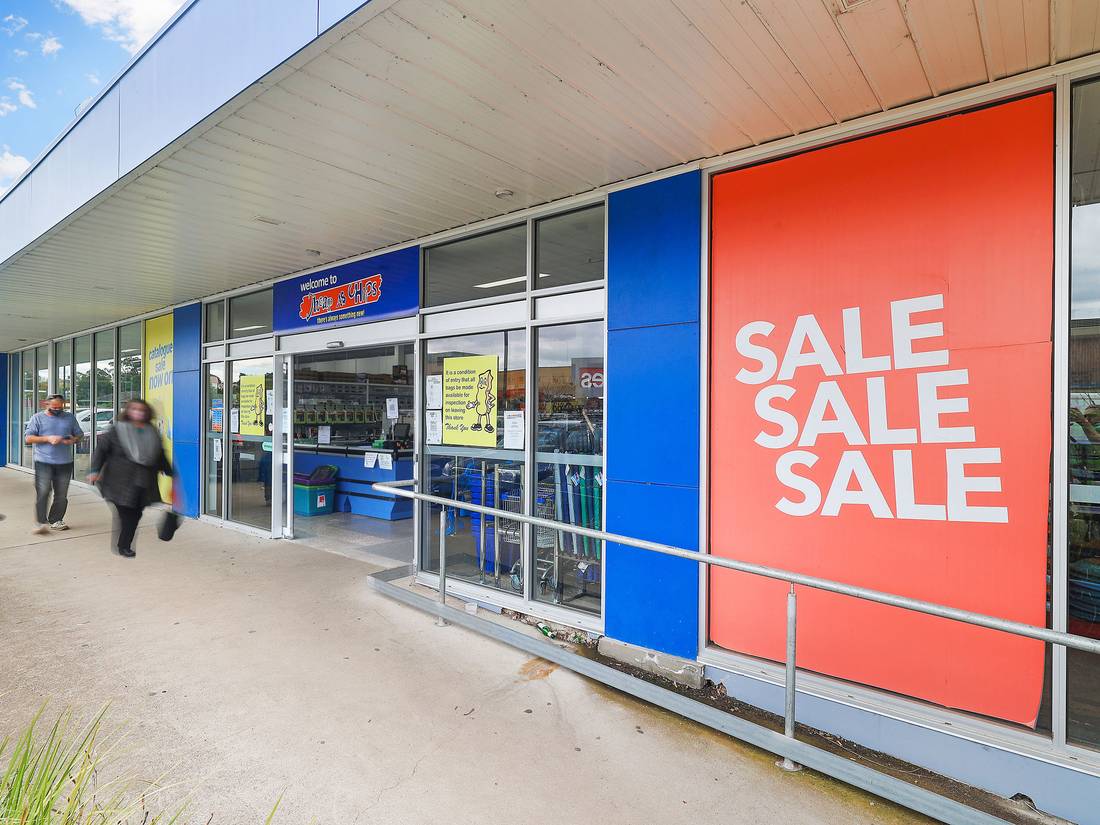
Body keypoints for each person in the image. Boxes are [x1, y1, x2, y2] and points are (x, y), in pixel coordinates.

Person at [88, 399, 173, 558]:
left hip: (144, 482)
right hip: (119, 482)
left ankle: (124, 544)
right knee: (127, 515)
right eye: (134, 409)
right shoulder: (117, 430)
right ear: (128, 411)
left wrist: (169, 470)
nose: (138, 413)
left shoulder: (152, 432)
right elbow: (101, 450)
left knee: (136, 515)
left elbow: (160, 454)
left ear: (147, 413)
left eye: (142, 410)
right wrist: (95, 470)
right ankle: (124, 546)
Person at [24, 394, 84, 534]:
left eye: (60, 407)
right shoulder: (37, 418)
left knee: (61, 494)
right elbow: (28, 438)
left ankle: (56, 520)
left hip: (65, 462)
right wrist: (47, 438)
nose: (57, 409)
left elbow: (79, 435)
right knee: (43, 491)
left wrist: (73, 440)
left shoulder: (69, 417)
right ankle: (40, 522)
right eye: (54, 407)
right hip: (43, 462)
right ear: (46, 404)